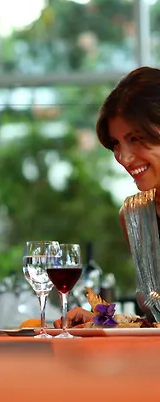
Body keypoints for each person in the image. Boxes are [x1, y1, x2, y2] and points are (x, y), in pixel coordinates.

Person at [55, 66, 160, 328]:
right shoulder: (135, 216)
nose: (124, 158)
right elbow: (155, 323)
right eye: (116, 144)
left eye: (135, 139)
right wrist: (105, 322)